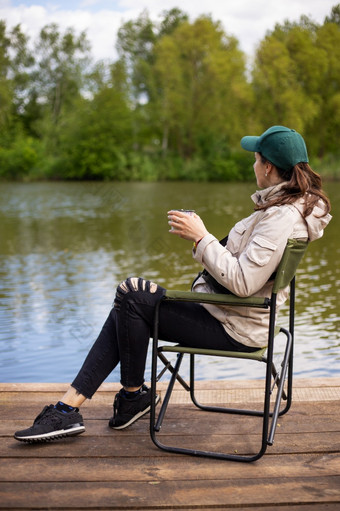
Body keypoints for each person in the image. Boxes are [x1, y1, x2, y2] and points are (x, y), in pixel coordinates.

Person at [14, 125, 331, 443]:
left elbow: (244, 281)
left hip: (235, 326)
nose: (253, 166)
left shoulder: (280, 218)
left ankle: (114, 401)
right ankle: (81, 407)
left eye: (255, 159)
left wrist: (201, 237)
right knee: (129, 302)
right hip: (238, 317)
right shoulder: (286, 209)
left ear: (269, 167)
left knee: (131, 296)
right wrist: (203, 241)